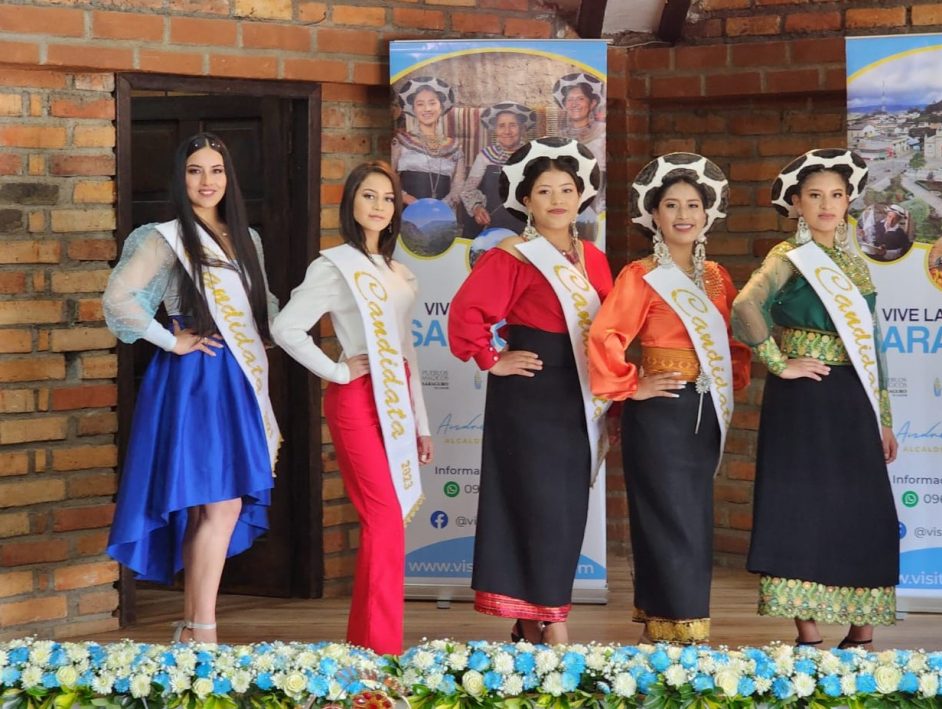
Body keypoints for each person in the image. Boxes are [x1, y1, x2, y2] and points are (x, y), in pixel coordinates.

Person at [102, 132, 280, 643]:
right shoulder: (163, 237)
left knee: (221, 503)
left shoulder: (246, 238)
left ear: (230, 178)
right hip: (195, 378)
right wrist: (167, 339)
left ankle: (196, 625)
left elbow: (261, 306)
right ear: (181, 179)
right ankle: (201, 627)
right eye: (196, 170)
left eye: (217, 170)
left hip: (237, 378)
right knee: (214, 501)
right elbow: (119, 300)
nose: (208, 181)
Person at [732, 148, 899, 649]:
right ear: (797, 204)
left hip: (854, 394)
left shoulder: (857, 265)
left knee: (861, 503)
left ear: (849, 201)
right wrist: (780, 363)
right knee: (798, 501)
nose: (827, 204)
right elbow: (745, 306)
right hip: (803, 397)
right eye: (815, 195)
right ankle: (807, 629)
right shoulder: (788, 258)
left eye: (837, 195)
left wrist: (884, 418)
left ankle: (862, 628)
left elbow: (873, 341)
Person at [448, 137, 611, 645]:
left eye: (567, 188)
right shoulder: (513, 256)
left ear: (582, 196)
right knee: (533, 501)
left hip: (579, 392)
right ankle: (552, 620)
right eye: (544, 190)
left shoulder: (595, 259)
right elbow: (465, 316)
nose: (558, 199)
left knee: (566, 507)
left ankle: (534, 614)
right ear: (526, 199)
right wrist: (492, 359)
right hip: (531, 393)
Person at [271, 161, 432, 655]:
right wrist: (338, 371)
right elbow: (285, 328)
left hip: (398, 397)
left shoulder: (399, 272)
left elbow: (407, 350)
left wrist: (421, 423)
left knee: (388, 525)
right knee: (383, 521)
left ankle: (367, 647)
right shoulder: (332, 266)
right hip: (358, 401)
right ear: (350, 204)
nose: (379, 206)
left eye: (387, 198)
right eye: (369, 196)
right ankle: (383, 651)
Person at [589, 154, 751, 644]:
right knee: (666, 517)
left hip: (704, 411)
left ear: (708, 214)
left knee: (693, 517)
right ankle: (675, 625)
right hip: (659, 413)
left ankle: (676, 621)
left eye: (694, 205)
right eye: (672, 205)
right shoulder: (640, 275)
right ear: (654, 215)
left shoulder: (718, 277)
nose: (684, 214)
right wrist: (631, 384)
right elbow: (604, 336)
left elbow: (733, 343)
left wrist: (729, 380)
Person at [459, 102, 534, 238]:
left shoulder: (532, 155)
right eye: (501, 126)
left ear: (521, 128)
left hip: (524, 225)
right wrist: (477, 208)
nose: (507, 131)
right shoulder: (485, 156)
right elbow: (468, 190)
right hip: (490, 223)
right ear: (495, 130)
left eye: (513, 125)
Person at [391, 76, 466, 208]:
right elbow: (388, 175)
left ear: (441, 107)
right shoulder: (400, 141)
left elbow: (458, 185)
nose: (427, 109)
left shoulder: (454, 147)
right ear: (413, 109)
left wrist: (443, 205)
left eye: (432, 103)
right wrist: (405, 197)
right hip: (406, 212)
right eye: (420, 104)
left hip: (441, 215)